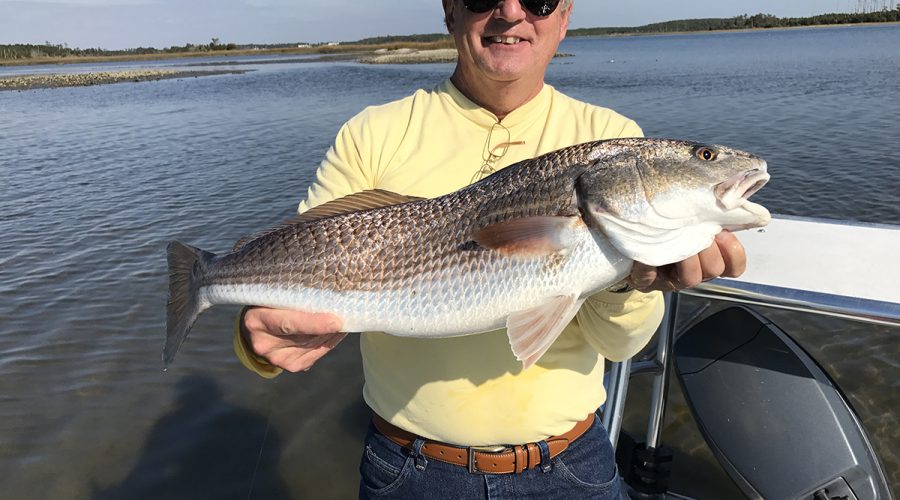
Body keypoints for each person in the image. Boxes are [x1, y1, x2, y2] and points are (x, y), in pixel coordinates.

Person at [234, 0, 748, 498]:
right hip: (407, 470)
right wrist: (254, 338)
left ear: (564, 18)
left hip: (573, 464)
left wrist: (633, 283)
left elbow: (619, 346)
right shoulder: (372, 134)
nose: (510, 12)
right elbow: (297, 265)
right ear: (450, 9)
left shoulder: (611, 137)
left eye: (541, 0)